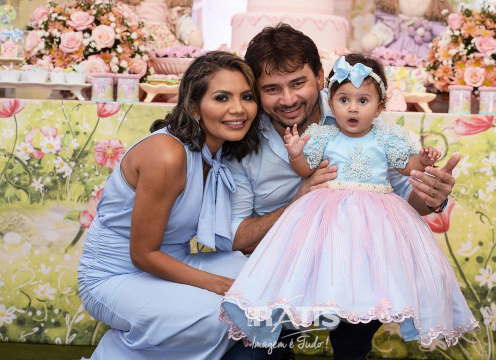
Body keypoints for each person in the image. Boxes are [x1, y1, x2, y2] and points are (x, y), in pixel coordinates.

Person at [223, 24, 463, 359]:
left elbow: (400, 193)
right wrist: (299, 200)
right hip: (283, 277)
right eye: (272, 89)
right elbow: (237, 237)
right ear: (256, 91)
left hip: (354, 269)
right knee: (251, 355)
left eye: (298, 83)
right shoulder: (241, 136)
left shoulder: (357, 110)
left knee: (353, 339)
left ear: (320, 77)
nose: (288, 99)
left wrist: (431, 195)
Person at [77, 51, 262, 359]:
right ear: (194, 107)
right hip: (114, 278)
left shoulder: (216, 152)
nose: (238, 109)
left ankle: (151, 334)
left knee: (259, 280)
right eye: (221, 97)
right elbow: (143, 255)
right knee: (220, 313)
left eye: (246, 96)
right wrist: (218, 284)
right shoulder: (167, 155)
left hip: (172, 263)